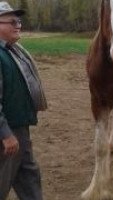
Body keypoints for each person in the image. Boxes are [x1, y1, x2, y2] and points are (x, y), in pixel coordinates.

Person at [0, 2, 47, 200]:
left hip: (20, 129)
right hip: (6, 134)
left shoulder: (11, 51)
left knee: (29, 176)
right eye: (12, 21)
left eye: (18, 20)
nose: (17, 25)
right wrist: (6, 133)